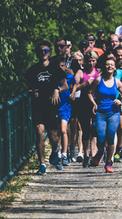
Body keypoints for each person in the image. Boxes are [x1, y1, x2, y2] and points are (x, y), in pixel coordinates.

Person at [25, 40, 68, 174]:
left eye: (46, 51)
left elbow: (65, 85)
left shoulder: (55, 68)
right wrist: (32, 92)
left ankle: (56, 151)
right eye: (41, 51)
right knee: (39, 132)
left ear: (50, 53)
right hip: (38, 105)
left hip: (52, 105)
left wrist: (57, 90)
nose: (43, 53)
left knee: (53, 135)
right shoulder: (32, 70)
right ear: (37, 53)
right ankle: (42, 164)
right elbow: (27, 88)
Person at [89, 54, 122, 173]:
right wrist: (94, 103)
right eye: (107, 64)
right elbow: (89, 92)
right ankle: (100, 152)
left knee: (111, 136)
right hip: (100, 112)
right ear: (104, 66)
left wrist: (120, 101)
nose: (109, 66)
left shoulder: (117, 82)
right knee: (101, 138)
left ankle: (109, 162)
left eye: (112, 65)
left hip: (113, 112)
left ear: (115, 67)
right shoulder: (98, 80)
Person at [77, 50, 100, 167]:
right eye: (89, 61)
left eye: (93, 61)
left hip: (96, 102)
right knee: (86, 129)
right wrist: (84, 85)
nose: (91, 63)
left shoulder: (98, 73)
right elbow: (73, 88)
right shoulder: (81, 73)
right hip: (83, 103)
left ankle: (94, 155)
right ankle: (86, 154)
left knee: (95, 130)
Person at [68, 51, 85, 163]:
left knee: (81, 126)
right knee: (73, 126)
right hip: (72, 100)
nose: (78, 62)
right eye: (75, 60)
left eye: (79, 60)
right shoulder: (68, 73)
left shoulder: (84, 72)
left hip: (82, 100)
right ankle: (72, 148)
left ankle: (81, 151)